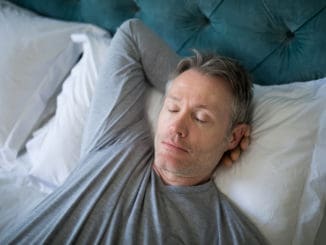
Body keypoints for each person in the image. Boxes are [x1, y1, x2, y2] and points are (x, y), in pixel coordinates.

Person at [2, 19, 267, 244]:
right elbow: (131, 34)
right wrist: (186, 84)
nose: (176, 127)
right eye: (172, 108)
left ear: (234, 136)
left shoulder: (226, 233)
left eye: (200, 118)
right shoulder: (115, 140)